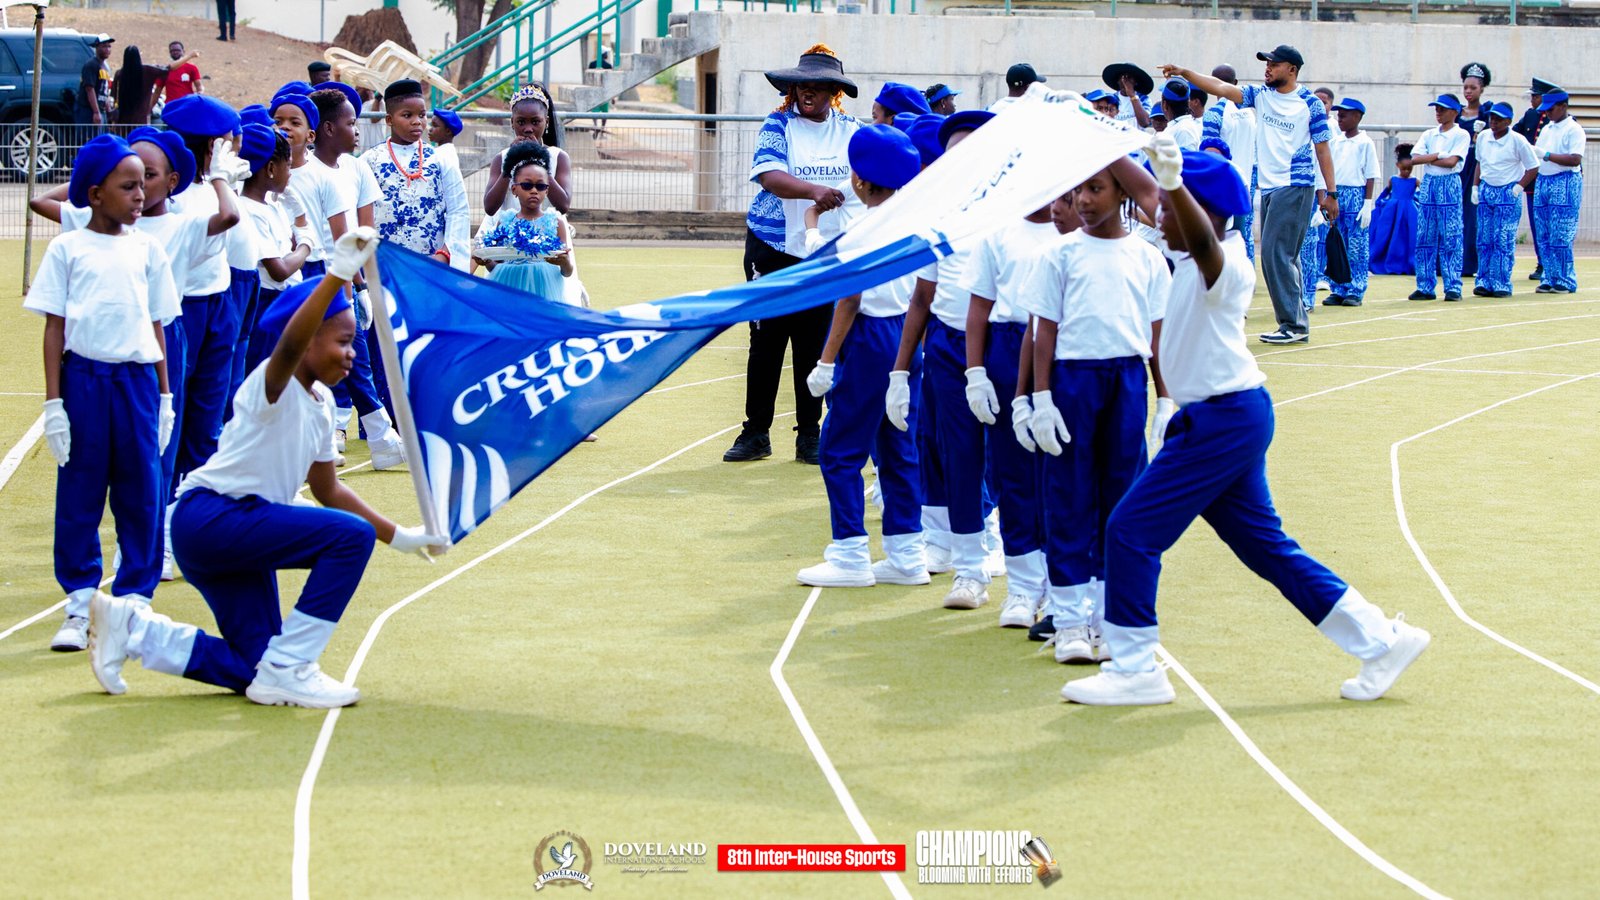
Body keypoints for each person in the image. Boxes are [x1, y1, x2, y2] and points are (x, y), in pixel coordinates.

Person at [1060, 136, 1430, 706]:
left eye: (1167, 208)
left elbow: (1195, 231)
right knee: (1266, 548)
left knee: (1129, 531)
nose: (1153, 215)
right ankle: (1382, 639)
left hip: (1223, 419)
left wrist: (1174, 184)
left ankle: (1134, 669)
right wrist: (1095, 133)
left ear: (1203, 212)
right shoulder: (1190, 245)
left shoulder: (1224, 262)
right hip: (1224, 416)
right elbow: (1148, 193)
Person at [87, 231, 451, 709]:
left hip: (239, 536)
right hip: (212, 518)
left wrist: (400, 537)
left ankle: (134, 631)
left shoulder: (322, 406)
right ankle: (294, 665)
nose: (351, 353)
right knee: (348, 539)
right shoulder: (272, 383)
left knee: (253, 668)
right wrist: (338, 273)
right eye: (343, 341)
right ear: (306, 339)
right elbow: (290, 344)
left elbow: (330, 491)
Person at [29, 135, 178, 653]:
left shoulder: (148, 249)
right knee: (81, 490)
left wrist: (164, 397)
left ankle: (135, 600)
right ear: (95, 194)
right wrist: (54, 403)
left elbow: (157, 325)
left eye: (143, 185)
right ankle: (80, 603)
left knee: (142, 491)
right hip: (84, 381)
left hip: (137, 383)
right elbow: (54, 327)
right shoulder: (68, 248)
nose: (140, 195)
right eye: (128, 186)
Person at [1017, 160, 1169, 665]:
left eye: (1095, 189)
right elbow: (1043, 331)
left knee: (1120, 502)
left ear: (1122, 193)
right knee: (1068, 498)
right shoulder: (1058, 254)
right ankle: (1068, 621)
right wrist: (1040, 397)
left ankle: (1108, 618)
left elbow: (1156, 337)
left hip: (1126, 381)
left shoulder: (1147, 257)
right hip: (1072, 381)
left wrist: (1165, 398)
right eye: (1078, 190)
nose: (1083, 200)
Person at [795, 125, 925, 588]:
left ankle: (850, 554)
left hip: (869, 338)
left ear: (859, 181)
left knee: (840, 449)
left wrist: (826, 361)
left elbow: (848, 299)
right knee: (898, 447)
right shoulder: (915, 225)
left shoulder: (860, 232)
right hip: (908, 337)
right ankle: (907, 554)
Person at [728, 45, 860, 465]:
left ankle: (809, 436)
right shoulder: (778, 123)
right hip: (773, 247)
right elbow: (770, 176)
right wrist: (814, 190)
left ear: (834, 92)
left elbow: (867, 178)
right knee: (766, 342)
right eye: (802, 85)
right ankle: (756, 433)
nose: (808, 92)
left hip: (823, 251)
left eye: (818, 86)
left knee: (813, 345)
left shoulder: (852, 130)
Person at [884, 113, 995, 609]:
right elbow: (922, 298)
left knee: (1011, 455)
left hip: (1009, 339)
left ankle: (1006, 549)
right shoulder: (940, 221)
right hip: (950, 343)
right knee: (954, 450)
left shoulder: (1013, 212)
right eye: (953, 156)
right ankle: (965, 564)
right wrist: (900, 370)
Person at [1163, 45, 1338, 345]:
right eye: (1266, 63)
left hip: (1295, 184)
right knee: (1284, 256)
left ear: (1292, 69)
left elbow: (1323, 149)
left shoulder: (1310, 104)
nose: (1267, 68)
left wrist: (1331, 193)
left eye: (1274, 64)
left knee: (1274, 254)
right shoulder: (1261, 95)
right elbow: (1220, 87)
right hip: (1269, 186)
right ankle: (1295, 321)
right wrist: (1185, 73)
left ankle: (1293, 325)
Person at [961, 200, 1058, 629]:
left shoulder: (1075, 232)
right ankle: (1022, 587)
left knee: (1059, 476)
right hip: (1007, 344)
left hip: (1062, 348)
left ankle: (1060, 587)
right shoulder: (998, 232)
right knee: (1014, 475)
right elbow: (979, 308)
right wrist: (976, 372)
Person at [301, 86, 407, 468]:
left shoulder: (355, 167)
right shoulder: (309, 173)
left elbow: (363, 231)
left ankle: (373, 435)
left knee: (353, 355)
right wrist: (351, 281)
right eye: (350, 123)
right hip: (320, 273)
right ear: (328, 129)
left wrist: (362, 283)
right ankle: (377, 436)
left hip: (345, 273)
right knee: (343, 357)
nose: (357, 130)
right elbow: (330, 239)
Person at [359, 79, 471, 270]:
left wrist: (445, 254)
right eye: (407, 115)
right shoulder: (369, 160)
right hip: (384, 265)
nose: (417, 121)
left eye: (422, 115)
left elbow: (458, 210)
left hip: (431, 265)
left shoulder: (440, 159)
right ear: (389, 120)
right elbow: (358, 213)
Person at [237, 125, 314, 378]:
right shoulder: (250, 210)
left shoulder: (271, 207)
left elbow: (287, 247)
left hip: (282, 301)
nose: (290, 174)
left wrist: (300, 219)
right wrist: (306, 246)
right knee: (264, 377)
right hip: (266, 303)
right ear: (271, 168)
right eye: (287, 166)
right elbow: (279, 269)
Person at [476, 140, 575, 296]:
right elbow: (496, 266)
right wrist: (487, 261)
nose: (534, 191)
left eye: (540, 186)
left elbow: (567, 272)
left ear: (547, 190)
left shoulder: (555, 222)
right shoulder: (506, 221)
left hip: (545, 288)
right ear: (514, 189)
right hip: (509, 287)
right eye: (527, 186)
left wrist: (565, 263)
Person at [1472, 103, 1538, 298]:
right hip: (1487, 189)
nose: (1493, 122)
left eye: (1498, 119)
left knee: (1503, 239)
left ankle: (1501, 282)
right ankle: (1483, 281)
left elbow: (1533, 166)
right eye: (1492, 118)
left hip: (1507, 190)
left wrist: (1518, 187)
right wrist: (1475, 186)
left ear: (1508, 121)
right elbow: (1479, 163)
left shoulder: (1518, 140)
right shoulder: (1483, 137)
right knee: (1484, 238)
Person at [1409, 94, 1469, 301]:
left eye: (1443, 109)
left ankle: (1453, 285)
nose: (1438, 112)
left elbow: (1452, 162)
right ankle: (1425, 285)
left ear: (1454, 112)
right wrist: (1437, 155)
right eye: (1437, 109)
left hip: (1448, 183)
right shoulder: (1429, 134)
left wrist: (1429, 158)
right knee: (1425, 235)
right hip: (1429, 183)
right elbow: (1414, 159)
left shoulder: (1461, 134)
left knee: (1451, 235)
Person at [1320, 99, 1379, 306]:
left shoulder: (1365, 143)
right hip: (1337, 193)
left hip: (1356, 194)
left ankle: (1356, 288)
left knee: (1356, 245)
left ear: (1357, 116)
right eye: (1339, 115)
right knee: (1338, 243)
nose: (1340, 119)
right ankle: (1339, 288)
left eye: (1344, 115)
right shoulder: (1335, 142)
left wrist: (1367, 203)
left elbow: (1370, 175)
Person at [483, 83, 572, 215]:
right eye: (521, 122)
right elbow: (490, 208)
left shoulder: (558, 157)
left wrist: (539, 158)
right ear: (512, 122)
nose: (528, 129)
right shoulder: (502, 158)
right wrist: (509, 164)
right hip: (512, 227)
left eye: (535, 122)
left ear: (546, 122)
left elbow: (563, 206)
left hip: (548, 227)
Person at [1200, 64, 1258, 260]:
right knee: (1245, 236)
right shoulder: (1250, 114)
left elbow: (1209, 155)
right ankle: (1247, 273)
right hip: (1247, 182)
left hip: (1224, 182)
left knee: (1224, 237)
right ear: (1235, 83)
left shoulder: (1214, 113)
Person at [1531, 87, 1583, 294]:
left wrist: (1546, 155)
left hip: (1565, 180)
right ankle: (1549, 276)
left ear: (1563, 106)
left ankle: (1565, 279)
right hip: (1544, 179)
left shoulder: (1574, 129)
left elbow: (1575, 159)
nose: (1547, 113)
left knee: (1561, 233)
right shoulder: (1547, 129)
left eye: (1551, 109)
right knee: (1543, 233)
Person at [1514, 77, 1557, 282]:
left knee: (1553, 223)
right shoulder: (1530, 115)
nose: (1532, 100)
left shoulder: (1556, 120)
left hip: (1552, 177)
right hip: (1533, 179)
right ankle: (1542, 262)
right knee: (1537, 223)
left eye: (1535, 96)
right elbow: (1514, 134)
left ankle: (1554, 264)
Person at [1456, 63, 1493, 279]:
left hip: (1476, 166)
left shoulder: (1487, 113)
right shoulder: (1455, 112)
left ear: (1482, 89)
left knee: (1472, 215)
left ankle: (1469, 263)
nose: (1468, 92)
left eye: (1473, 88)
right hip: (1457, 166)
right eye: (1465, 87)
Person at [1369, 142, 1419, 276]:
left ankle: (1407, 263)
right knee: (1388, 235)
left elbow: (1423, 193)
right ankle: (1387, 260)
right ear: (1398, 166)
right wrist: (1380, 202)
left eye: (1409, 169)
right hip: (1392, 211)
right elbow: (1386, 191)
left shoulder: (1415, 180)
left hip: (1409, 211)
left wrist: (1418, 200)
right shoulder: (1393, 179)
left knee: (1408, 237)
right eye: (1404, 169)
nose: (1406, 171)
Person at [77, 34, 114, 143]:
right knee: (91, 141)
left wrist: (108, 110)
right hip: (89, 111)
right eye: (104, 46)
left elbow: (104, 90)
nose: (107, 49)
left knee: (102, 141)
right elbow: (90, 89)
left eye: (109, 46)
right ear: (97, 47)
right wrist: (96, 112)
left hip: (101, 111)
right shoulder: (91, 65)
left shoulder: (104, 66)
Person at [157, 41, 202, 107]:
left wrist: (200, 93)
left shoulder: (191, 68)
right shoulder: (165, 70)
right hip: (171, 105)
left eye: (178, 50)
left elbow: (199, 86)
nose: (175, 52)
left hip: (187, 104)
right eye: (172, 51)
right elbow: (157, 92)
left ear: (183, 51)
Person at [1162, 79, 1201, 150]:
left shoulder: (1184, 130)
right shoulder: (1180, 126)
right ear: (1188, 102)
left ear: (1165, 105)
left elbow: (1187, 157)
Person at [429, 108, 464, 172]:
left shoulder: (445, 155)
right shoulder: (444, 151)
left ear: (448, 131)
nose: (430, 129)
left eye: (435, 126)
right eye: (431, 125)